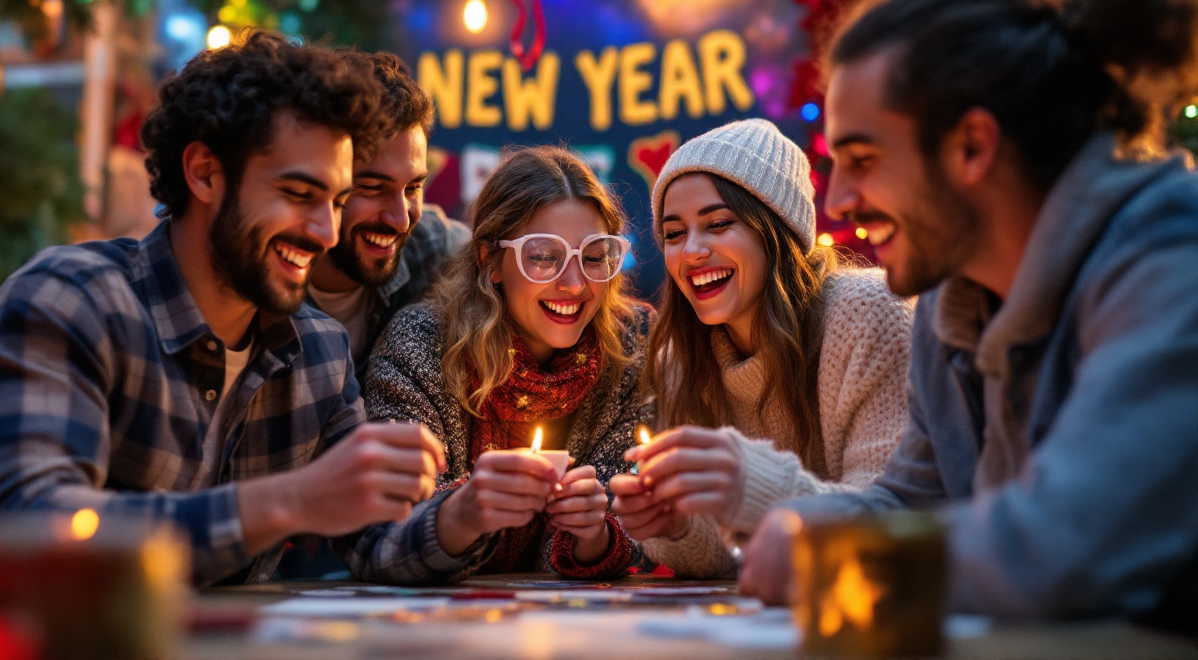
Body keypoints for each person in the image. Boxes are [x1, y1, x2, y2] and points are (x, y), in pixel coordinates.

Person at [739, 0, 1198, 635]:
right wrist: (796, 519)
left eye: (861, 158)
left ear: (972, 146)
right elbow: (916, 504)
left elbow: (1064, 548)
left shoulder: (1170, 262)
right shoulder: (949, 305)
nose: (837, 203)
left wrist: (833, 555)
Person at [0, 31, 446, 585]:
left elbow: (379, 538)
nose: (324, 231)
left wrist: (468, 511)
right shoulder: (68, 302)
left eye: (337, 202)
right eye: (298, 194)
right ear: (203, 173)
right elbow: (34, 530)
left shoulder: (319, 351)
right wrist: (288, 500)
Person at [610, 119, 913, 578]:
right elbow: (723, 558)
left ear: (775, 231)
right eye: (673, 234)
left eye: (717, 224)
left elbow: (900, 522)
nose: (691, 250)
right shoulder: (680, 359)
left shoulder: (869, 313)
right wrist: (677, 528)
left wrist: (756, 485)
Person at [336, 147, 651, 583]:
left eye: (595, 256)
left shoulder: (632, 347)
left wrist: (594, 535)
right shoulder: (424, 344)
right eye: (543, 255)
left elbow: (648, 525)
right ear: (490, 261)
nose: (575, 283)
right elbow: (376, 539)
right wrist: (463, 513)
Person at [306, 51, 469, 377]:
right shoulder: (266, 276)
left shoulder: (435, 247)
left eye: (413, 188)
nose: (400, 218)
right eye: (371, 187)